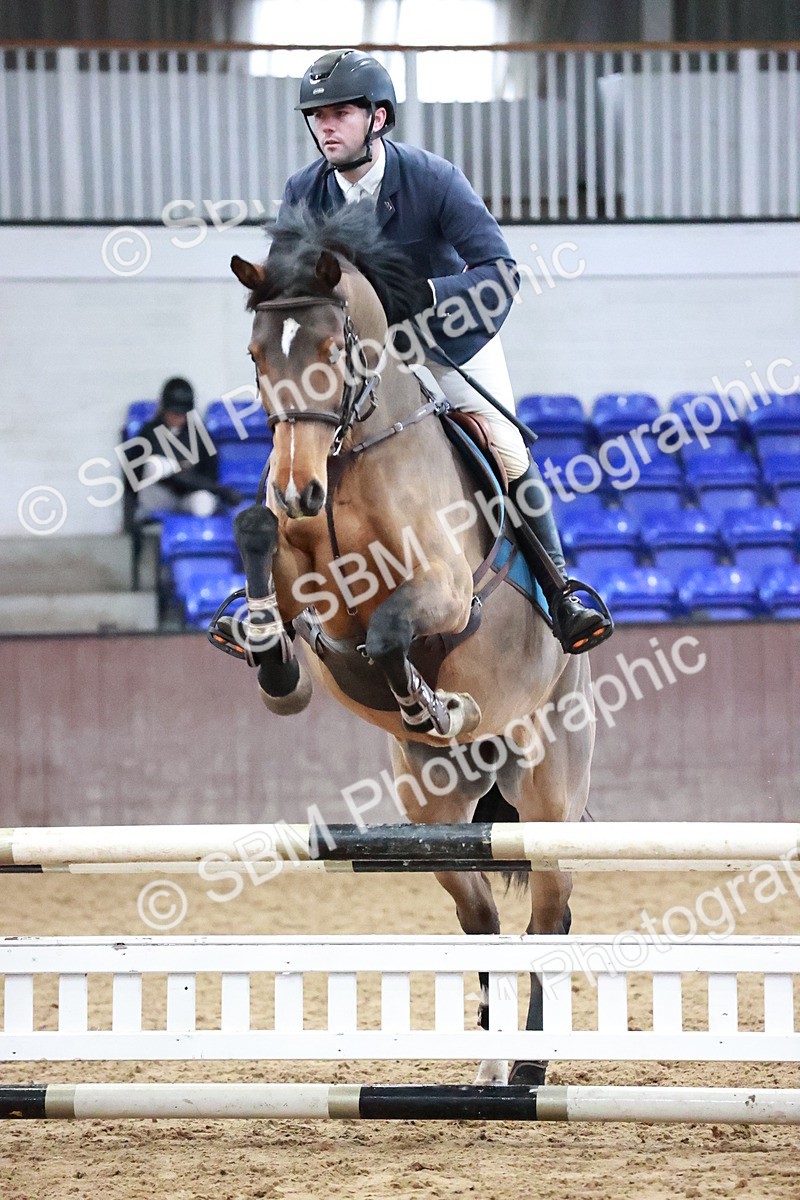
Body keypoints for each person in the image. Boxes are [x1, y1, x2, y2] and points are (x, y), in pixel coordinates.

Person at [282, 49, 612, 655]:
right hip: (357, 356)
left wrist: (431, 293)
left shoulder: (432, 178)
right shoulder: (304, 191)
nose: (326, 127)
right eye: (318, 116)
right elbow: (291, 287)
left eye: (341, 113)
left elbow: (501, 272)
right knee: (294, 434)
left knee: (506, 447)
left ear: (378, 118)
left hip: (443, 340)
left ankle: (560, 591)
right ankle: (262, 601)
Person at [131, 377, 241, 519]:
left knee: (204, 501)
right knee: (155, 465)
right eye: (174, 413)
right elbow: (135, 476)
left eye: (182, 414)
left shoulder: (200, 434)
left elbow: (210, 475)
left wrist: (208, 487)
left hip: (188, 496)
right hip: (160, 496)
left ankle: (197, 533)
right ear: (164, 408)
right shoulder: (149, 432)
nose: (178, 418)